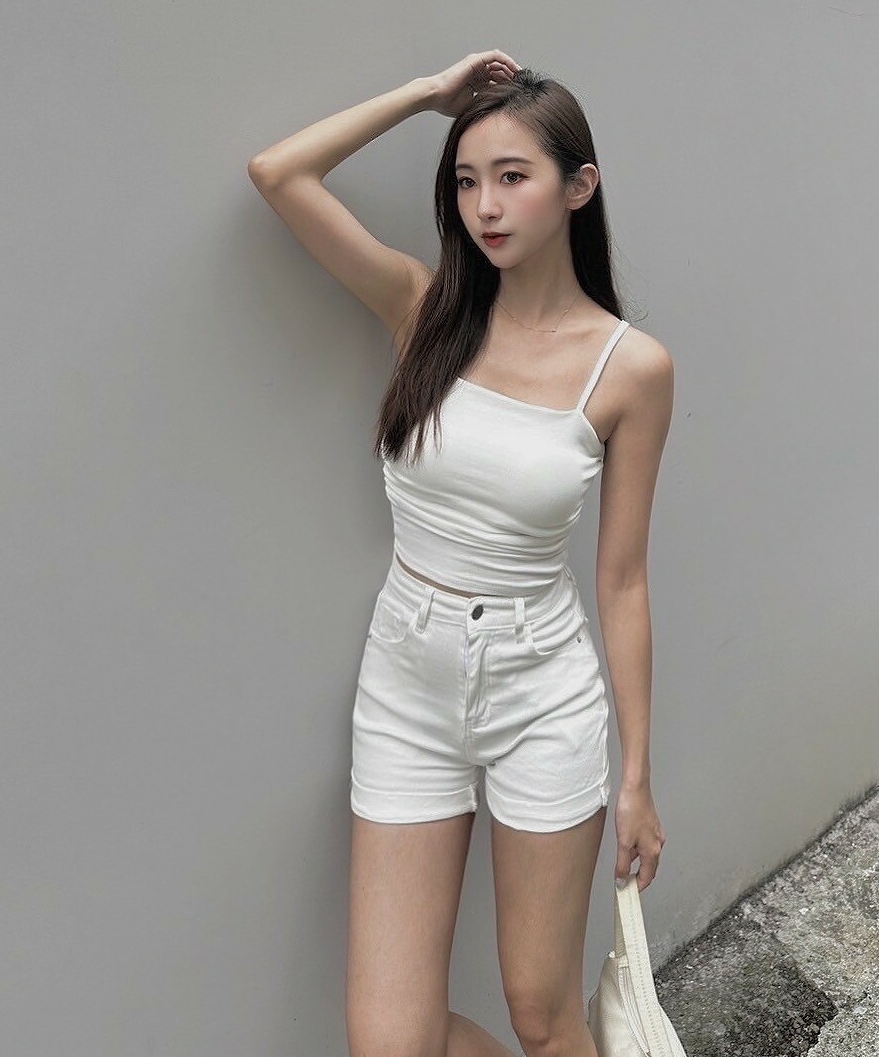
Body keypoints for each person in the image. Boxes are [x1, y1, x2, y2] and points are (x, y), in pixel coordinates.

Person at [247, 51, 674, 1057]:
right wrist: (423, 97)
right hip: (407, 680)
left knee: (542, 1016)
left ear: (578, 186)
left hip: (542, 690)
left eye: (512, 176)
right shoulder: (423, 309)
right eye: (467, 180)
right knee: (389, 1041)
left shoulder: (631, 368)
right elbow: (279, 174)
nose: (485, 205)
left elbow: (621, 580)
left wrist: (637, 775)